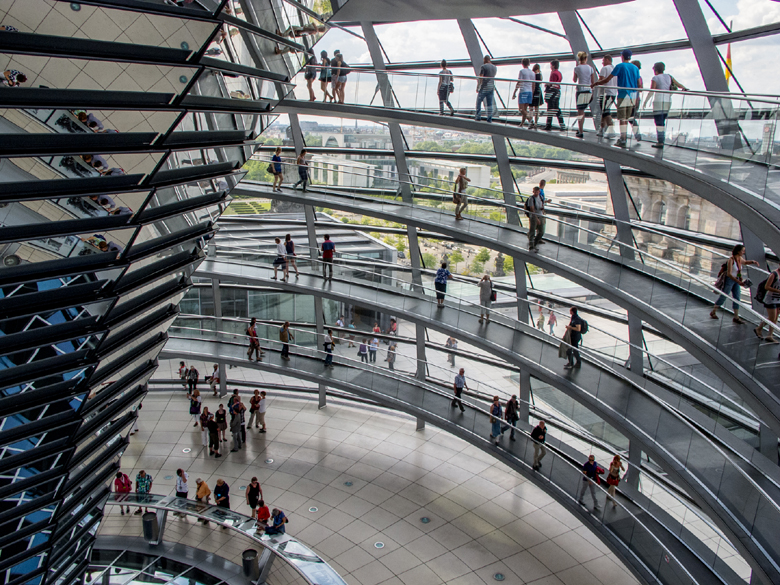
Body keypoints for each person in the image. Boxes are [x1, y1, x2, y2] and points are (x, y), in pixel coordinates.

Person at [593, 49, 640, 148]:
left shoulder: (620, 66)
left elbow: (607, 79)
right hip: (633, 96)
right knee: (627, 118)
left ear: (622, 56)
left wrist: (596, 83)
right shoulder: (635, 68)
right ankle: (625, 137)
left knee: (622, 118)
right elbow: (639, 84)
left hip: (623, 95)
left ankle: (623, 139)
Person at [642, 62, 687, 148]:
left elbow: (652, 91)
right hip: (668, 101)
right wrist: (684, 88)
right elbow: (678, 85)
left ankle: (660, 142)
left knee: (658, 122)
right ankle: (661, 140)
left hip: (659, 101)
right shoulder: (669, 76)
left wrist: (645, 101)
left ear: (655, 69)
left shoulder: (655, 78)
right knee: (662, 121)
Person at [711, 244, 759, 323]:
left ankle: (736, 317)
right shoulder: (731, 260)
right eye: (742, 251)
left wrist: (753, 262)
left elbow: (744, 263)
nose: (743, 252)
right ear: (738, 251)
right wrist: (738, 281)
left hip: (736, 280)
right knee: (724, 296)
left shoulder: (739, 258)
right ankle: (713, 311)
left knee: (737, 298)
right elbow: (729, 273)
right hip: (730, 280)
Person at [572, 51, 596, 138]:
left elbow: (574, 80)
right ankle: (581, 129)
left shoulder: (577, 68)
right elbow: (593, 82)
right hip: (588, 91)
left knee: (580, 112)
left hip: (580, 91)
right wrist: (592, 92)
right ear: (586, 58)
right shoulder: (590, 68)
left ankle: (581, 131)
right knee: (583, 111)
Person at [756, 266, 780, 342]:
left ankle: (769, 335)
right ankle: (760, 329)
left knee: (774, 318)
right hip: (771, 299)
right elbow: (767, 286)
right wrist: (778, 291)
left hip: (778, 299)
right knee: (772, 318)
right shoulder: (774, 274)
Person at [596, 55, 617, 138]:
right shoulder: (614, 69)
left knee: (606, 111)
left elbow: (601, 80)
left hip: (606, 93)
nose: (602, 62)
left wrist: (595, 84)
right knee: (604, 111)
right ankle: (602, 129)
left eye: (603, 60)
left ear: (608, 60)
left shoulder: (605, 69)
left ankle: (611, 129)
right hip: (613, 93)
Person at [512, 58, 535, 127]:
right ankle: (522, 123)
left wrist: (514, 92)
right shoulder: (532, 73)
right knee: (525, 109)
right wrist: (532, 93)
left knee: (521, 109)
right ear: (528, 63)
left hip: (523, 91)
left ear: (522, 63)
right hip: (530, 92)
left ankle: (530, 120)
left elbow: (519, 82)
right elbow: (533, 84)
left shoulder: (522, 71)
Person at [544, 60, 566, 131]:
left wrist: (548, 85)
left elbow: (552, 84)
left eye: (551, 65)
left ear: (553, 65)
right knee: (556, 108)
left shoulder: (553, 73)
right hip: (557, 91)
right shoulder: (559, 73)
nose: (550, 67)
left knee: (550, 108)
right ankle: (562, 124)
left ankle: (548, 125)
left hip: (552, 91)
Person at [475, 55, 497, 123]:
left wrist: (478, 86)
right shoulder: (495, 67)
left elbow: (481, 77)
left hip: (484, 87)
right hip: (491, 87)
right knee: (489, 104)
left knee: (478, 102)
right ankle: (489, 118)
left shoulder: (483, 67)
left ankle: (478, 116)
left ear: (485, 60)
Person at [526, 186, 545, 252]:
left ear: (539, 192)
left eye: (537, 192)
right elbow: (532, 209)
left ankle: (535, 243)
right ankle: (532, 246)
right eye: (535, 192)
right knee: (532, 230)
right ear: (533, 192)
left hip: (540, 215)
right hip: (534, 216)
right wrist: (537, 219)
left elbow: (541, 206)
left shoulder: (541, 197)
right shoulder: (531, 199)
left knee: (541, 231)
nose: (536, 193)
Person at [630, 60, 643, 141]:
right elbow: (640, 89)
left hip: (632, 99)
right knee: (630, 117)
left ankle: (637, 134)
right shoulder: (639, 77)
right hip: (636, 99)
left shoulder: (633, 77)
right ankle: (637, 134)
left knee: (629, 117)